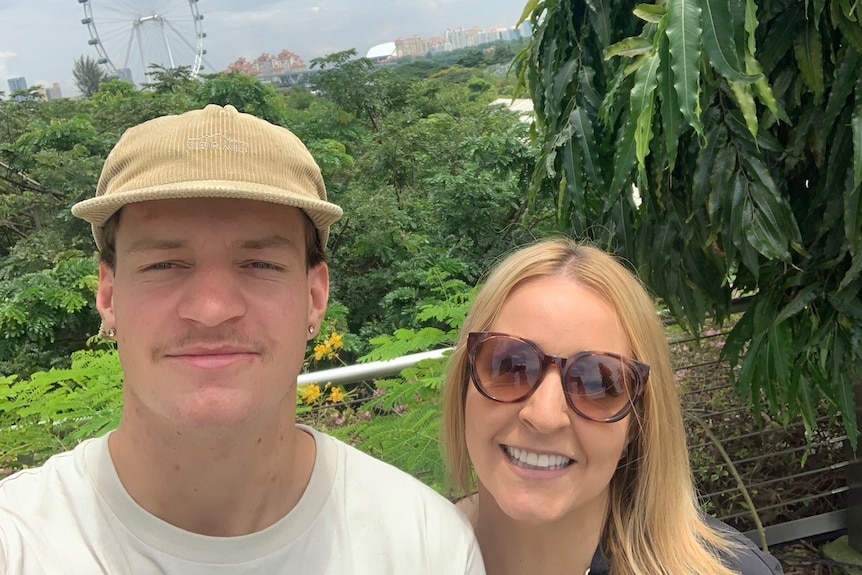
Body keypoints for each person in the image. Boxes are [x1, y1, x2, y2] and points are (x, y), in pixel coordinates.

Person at [0, 104, 484, 574]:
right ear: (109, 295)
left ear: (315, 297)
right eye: (164, 264)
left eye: (259, 264)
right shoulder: (19, 542)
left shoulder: (423, 544)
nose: (212, 310)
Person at [442, 238, 783, 575]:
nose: (544, 416)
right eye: (509, 366)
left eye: (597, 384)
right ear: (464, 387)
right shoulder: (402, 554)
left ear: (637, 422)